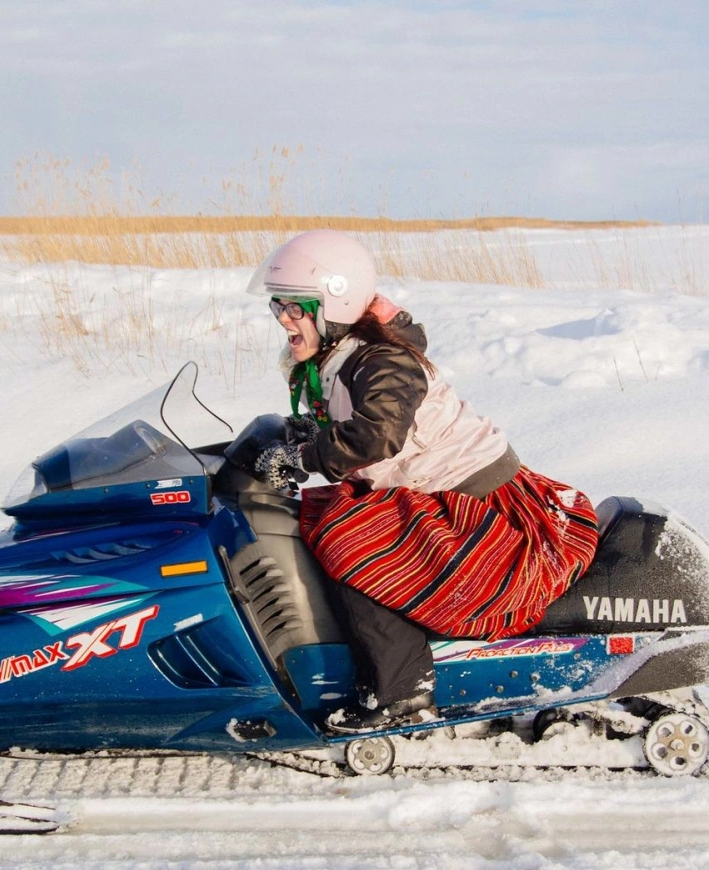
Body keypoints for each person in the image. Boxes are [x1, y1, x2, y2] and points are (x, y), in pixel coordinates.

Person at [246, 230, 601, 734]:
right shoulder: (346, 354)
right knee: (327, 520)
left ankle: (403, 695)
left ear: (335, 304)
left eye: (294, 307)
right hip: (436, 494)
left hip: (479, 511)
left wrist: (303, 457)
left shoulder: (381, 361)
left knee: (354, 546)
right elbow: (355, 425)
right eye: (278, 306)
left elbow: (376, 435)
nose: (283, 318)